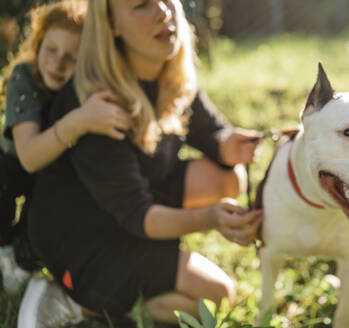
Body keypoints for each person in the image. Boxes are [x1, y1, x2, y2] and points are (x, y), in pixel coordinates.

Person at [19, 0, 263, 326]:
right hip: (85, 240)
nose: (163, 11)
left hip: (131, 205)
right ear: (112, 26)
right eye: (141, 5)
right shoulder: (99, 103)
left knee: (227, 179)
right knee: (218, 297)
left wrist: (226, 142)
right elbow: (138, 215)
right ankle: (75, 300)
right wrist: (209, 218)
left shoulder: (167, 69)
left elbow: (209, 130)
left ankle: (139, 287)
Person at [0, 0, 133, 293]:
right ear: (38, 42)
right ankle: (4, 246)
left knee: (50, 209)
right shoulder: (25, 77)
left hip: (57, 173)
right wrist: (80, 121)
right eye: (51, 49)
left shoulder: (90, 86)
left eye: (72, 57)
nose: (57, 64)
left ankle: (21, 257)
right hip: (15, 164)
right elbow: (29, 159)